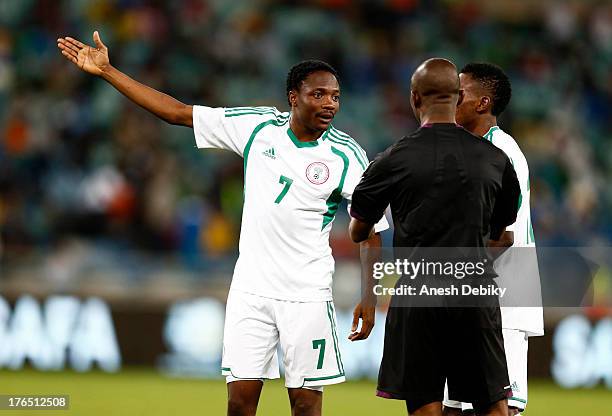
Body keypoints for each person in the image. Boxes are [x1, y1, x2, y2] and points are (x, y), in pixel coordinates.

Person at [57, 31, 388, 416]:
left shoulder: (346, 155)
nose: (330, 103)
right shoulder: (258, 128)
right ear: (293, 98)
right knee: (240, 403)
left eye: (335, 96)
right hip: (251, 290)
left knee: (306, 405)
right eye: (319, 94)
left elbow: (373, 229)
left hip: (308, 295)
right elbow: (177, 112)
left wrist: (369, 297)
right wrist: (109, 72)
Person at [348, 58, 520, 416]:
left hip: (418, 294)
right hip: (473, 292)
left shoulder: (393, 159)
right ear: (458, 98)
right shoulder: (495, 159)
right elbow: (502, 234)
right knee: (493, 404)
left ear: (414, 99)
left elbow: (359, 227)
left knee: (425, 403)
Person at [443, 63, 544, 416]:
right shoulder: (460, 149)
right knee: (452, 407)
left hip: (506, 296)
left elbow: (504, 237)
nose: (452, 99)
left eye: (461, 93)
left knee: (500, 408)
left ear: (483, 103)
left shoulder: (504, 153)